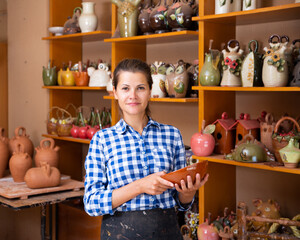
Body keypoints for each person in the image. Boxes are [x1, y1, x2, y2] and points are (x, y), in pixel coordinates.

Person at [84, 58, 209, 239]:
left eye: (140, 88)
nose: (133, 95)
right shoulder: (102, 140)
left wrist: (188, 192)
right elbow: (91, 203)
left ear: (150, 91)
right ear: (115, 92)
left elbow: (180, 203)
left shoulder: (172, 135)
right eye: (125, 88)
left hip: (167, 232)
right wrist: (140, 186)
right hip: (119, 233)